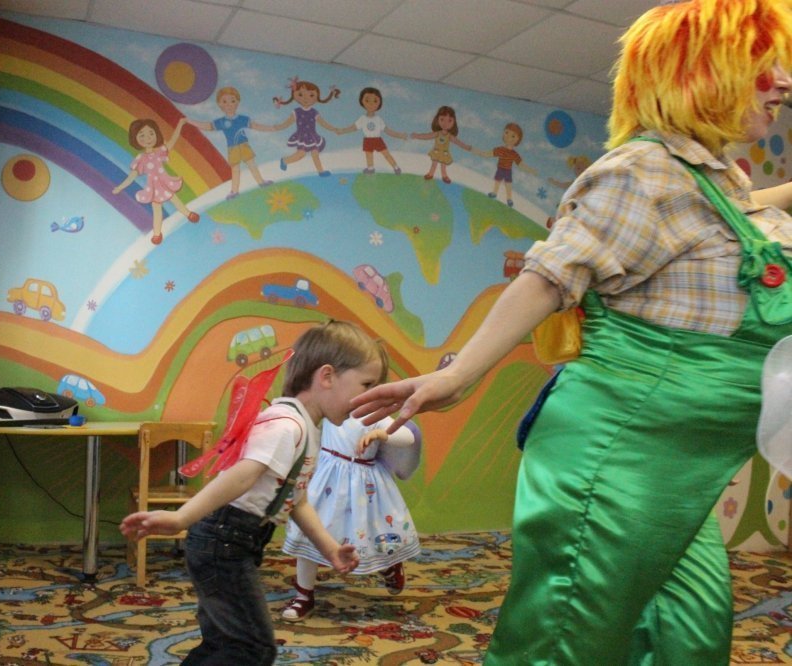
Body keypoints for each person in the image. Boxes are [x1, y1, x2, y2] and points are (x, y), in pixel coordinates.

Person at [350, 1, 792, 663]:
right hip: (616, 461)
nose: (784, 81)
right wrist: (457, 375)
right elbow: (549, 277)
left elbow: (743, 213)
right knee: (564, 644)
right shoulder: (639, 172)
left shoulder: (714, 187)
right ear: (701, 73)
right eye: (763, 65)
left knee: (689, 637)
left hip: (680, 476)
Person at [120, 320, 386, 665]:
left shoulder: (304, 427)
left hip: (233, 542)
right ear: (327, 376)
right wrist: (181, 517)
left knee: (223, 643)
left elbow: (295, 500)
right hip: (223, 542)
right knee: (253, 648)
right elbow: (243, 476)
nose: (369, 398)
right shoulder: (286, 426)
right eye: (366, 385)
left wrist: (330, 549)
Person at [279, 413, 422, 621]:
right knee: (307, 535)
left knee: (371, 535)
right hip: (325, 479)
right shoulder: (333, 408)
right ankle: (303, 596)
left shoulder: (375, 414)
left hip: (362, 486)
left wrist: (380, 434)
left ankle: (389, 566)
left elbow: (408, 436)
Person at [112, 117, 199, 245]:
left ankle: (189, 214)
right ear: (135, 139)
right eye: (142, 135)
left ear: (156, 134)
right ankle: (157, 234)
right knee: (157, 211)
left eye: (151, 134)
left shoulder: (160, 151)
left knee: (175, 200)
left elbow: (173, 140)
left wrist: (180, 124)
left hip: (165, 183)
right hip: (153, 188)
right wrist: (120, 187)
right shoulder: (141, 158)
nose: (147, 138)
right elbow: (132, 176)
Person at [184, 86, 273, 200]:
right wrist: (190, 121)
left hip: (244, 145)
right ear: (219, 104)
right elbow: (208, 126)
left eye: (232, 101)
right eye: (224, 102)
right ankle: (234, 191)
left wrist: (272, 128)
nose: (229, 105)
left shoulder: (242, 119)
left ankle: (261, 182)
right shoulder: (221, 122)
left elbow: (256, 126)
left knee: (252, 164)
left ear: (238, 102)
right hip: (232, 148)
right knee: (235, 169)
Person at [272, 78, 342, 177]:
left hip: (312, 136)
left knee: (315, 153)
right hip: (302, 137)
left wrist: (334, 129)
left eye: (311, 95)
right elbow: (287, 123)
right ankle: (285, 160)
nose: (306, 98)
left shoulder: (314, 112)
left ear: (317, 97)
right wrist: (278, 127)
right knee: (301, 154)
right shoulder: (297, 112)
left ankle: (321, 171)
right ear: (294, 95)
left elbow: (323, 123)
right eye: (300, 94)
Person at [337, 87, 408, 174]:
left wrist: (400, 135)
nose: (371, 104)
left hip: (377, 139)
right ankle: (370, 169)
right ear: (362, 102)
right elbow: (353, 127)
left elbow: (387, 131)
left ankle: (396, 167)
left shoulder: (378, 119)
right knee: (368, 155)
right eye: (367, 100)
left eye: (375, 101)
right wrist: (342, 131)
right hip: (367, 139)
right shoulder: (362, 119)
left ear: (379, 103)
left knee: (386, 154)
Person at [467, 122, 538, 207]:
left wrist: (531, 170)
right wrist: (475, 150)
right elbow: (486, 154)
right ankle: (494, 193)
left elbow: (521, 165)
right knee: (497, 181)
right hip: (500, 169)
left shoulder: (514, 154)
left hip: (508, 170)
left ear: (518, 140)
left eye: (513, 136)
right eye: (506, 132)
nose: (508, 136)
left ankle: (509, 198)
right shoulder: (500, 149)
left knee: (508, 184)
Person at [410, 105, 470, 184]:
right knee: (434, 164)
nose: (445, 123)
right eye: (442, 119)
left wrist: (466, 147)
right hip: (436, 152)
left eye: (449, 121)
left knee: (443, 166)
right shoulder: (437, 133)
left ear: (454, 122)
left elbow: (458, 142)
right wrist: (417, 136)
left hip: (444, 153)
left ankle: (444, 176)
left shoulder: (449, 136)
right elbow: (427, 136)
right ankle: (430, 174)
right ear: (437, 119)